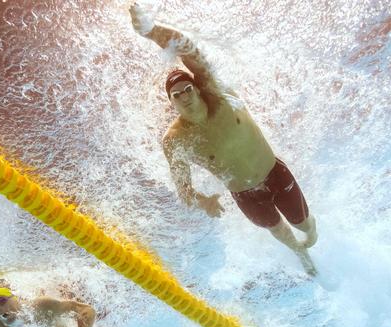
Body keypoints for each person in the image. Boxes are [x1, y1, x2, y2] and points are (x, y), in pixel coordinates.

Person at [129, 4, 318, 275]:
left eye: (187, 88)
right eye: (177, 95)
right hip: (245, 196)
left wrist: (150, 31)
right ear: (171, 103)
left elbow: (187, 49)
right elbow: (184, 191)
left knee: (305, 227)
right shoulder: (175, 140)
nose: (184, 96)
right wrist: (202, 201)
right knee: (278, 231)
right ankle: (300, 254)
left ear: (196, 87)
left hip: (274, 173)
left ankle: (309, 240)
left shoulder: (217, 94)